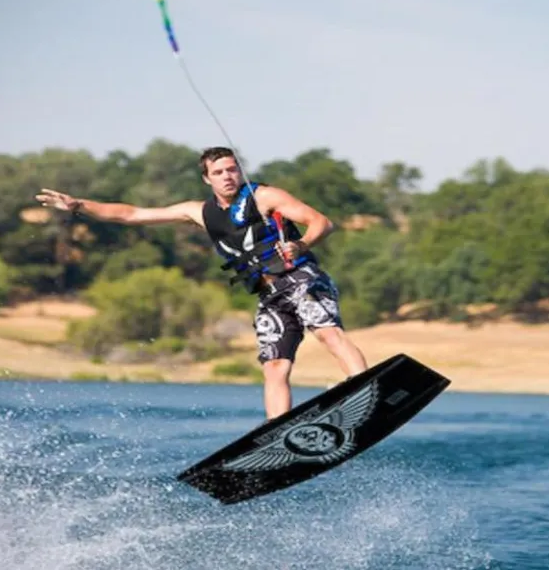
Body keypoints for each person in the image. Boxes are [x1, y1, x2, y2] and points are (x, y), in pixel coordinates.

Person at [35, 146, 368, 419]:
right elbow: (132, 214)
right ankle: (278, 430)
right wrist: (79, 206)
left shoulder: (264, 196)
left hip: (300, 278)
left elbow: (321, 222)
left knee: (327, 334)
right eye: (219, 172)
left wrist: (301, 244)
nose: (228, 176)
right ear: (207, 178)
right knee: (275, 365)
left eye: (232, 169)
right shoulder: (199, 212)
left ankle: (364, 388)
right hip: (268, 295)